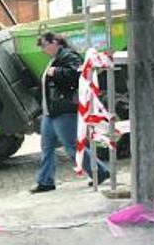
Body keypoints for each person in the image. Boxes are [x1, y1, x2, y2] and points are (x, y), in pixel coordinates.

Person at [31, 32, 109, 193]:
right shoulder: (58, 58)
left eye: (45, 45)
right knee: (48, 147)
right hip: (52, 111)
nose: (43, 49)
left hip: (63, 110)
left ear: (56, 42)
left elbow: (79, 74)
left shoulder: (67, 56)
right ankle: (45, 181)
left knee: (72, 146)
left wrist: (56, 72)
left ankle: (100, 172)